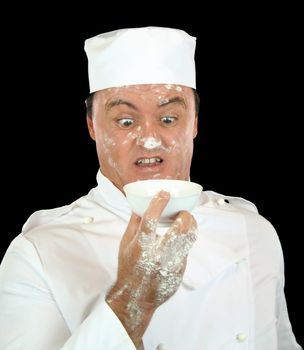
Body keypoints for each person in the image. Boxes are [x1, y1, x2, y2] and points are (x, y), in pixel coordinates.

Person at [0, 26, 301, 350]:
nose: (150, 139)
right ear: (92, 126)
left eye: (169, 119)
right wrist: (132, 301)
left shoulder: (252, 231)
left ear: (195, 122)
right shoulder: (39, 253)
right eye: (125, 121)